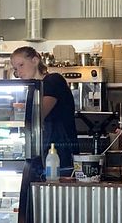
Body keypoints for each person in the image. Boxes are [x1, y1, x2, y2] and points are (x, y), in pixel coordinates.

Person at [10, 45, 78, 174]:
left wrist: (18, 112)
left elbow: (38, 114)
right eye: (15, 69)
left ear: (35, 61)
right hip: (43, 155)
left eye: (21, 65)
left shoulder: (53, 81)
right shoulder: (32, 89)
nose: (18, 73)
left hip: (60, 154)